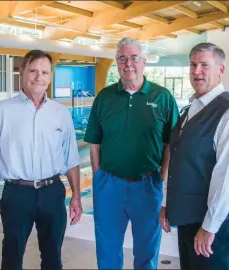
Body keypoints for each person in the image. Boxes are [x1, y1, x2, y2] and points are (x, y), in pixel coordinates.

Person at [0, 50, 82, 270]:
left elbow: (71, 160)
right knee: (12, 255)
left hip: (52, 191)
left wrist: (77, 197)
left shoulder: (60, 113)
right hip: (17, 193)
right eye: (33, 71)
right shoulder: (3, 111)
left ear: (50, 77)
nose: (39, 77)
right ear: (22, 71)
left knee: (53, 256)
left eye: (44, 72)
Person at [83, 37, 179, 269]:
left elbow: (171, 144)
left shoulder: (162, 97)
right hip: (109, 185)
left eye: (134, 58)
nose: (128, 63)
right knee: (107, 249)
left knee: (147, 251)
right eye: (122, 58)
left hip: (147, 184)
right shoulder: (104, 97)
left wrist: (162, 176)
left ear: (144, 62)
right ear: (117, 63)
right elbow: (94, 143)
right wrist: (98, 177)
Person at [160, 42, 229, 270]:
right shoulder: (192, 109)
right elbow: (178, 159)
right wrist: (166, 205)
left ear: (220, 69)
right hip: (189, 217)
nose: (196, 71)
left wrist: (210, 226)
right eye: (193, 65)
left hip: (215, 222)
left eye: (204, 65)